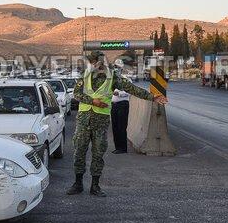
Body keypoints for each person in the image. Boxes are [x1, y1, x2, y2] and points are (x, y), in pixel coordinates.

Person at [67, 51, 167, 197]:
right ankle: (78, 184)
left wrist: (152, 97)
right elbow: (76, 94)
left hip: (100, 122)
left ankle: (95, 186)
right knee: (79, 152)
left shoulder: (113, 76)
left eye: (94, 62)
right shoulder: (86, 75)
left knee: (98, 154)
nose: (92, 65)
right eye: (91, 62)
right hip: (83, 120)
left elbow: (131, 88)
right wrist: (92, 101)